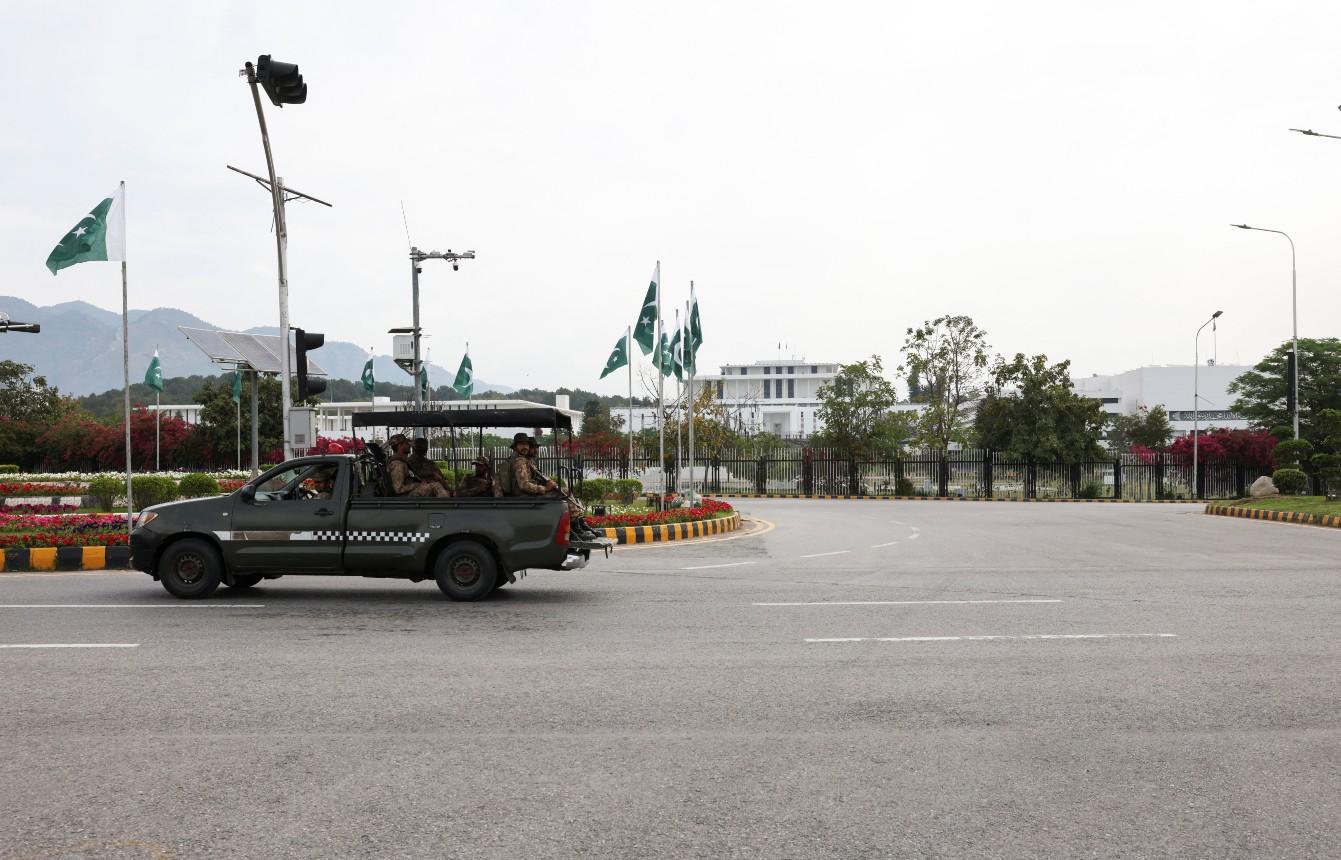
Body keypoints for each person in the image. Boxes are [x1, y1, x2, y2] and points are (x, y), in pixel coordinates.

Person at [519, 436, 602, 539]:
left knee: (565, 491)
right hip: (528, 496)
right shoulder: (520, 462)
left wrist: (548, 484)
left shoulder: (529, 461)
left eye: (536, 447)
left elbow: (537, 478)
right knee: (563, 494)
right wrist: (545, 488)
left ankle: (581, 524)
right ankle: (577, 529)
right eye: (533, 447)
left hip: (533, 493)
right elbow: (524, 485)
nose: (536, 450)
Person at [385, 434, 450, 497]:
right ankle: (448, 507)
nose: (409, 446)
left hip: (409, 493)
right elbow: (398, 489)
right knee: (436, 486)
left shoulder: (403, 462)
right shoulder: (397, 464)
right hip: (404, 497)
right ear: (400, 446)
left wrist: (424, 481)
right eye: (406, 444)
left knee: (436, 485)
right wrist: (417, 485)